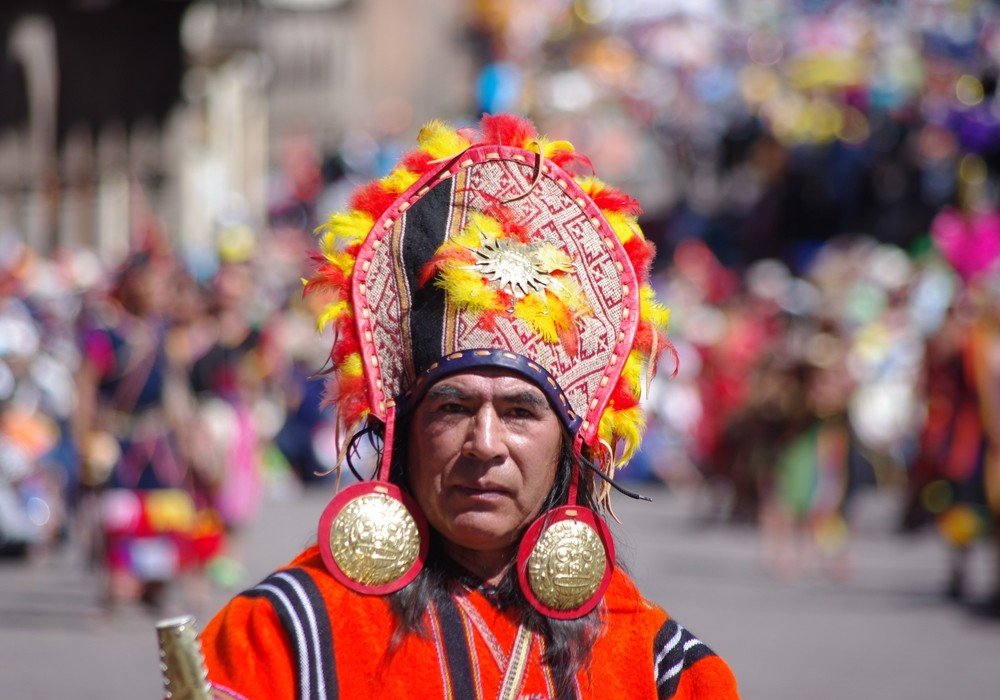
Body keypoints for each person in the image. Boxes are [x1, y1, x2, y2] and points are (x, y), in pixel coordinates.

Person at [199, 113, 740, 698]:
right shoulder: (282, 637)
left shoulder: (661, 669)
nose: (485, 445)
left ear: (571, 443)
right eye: (453, 409)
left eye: (520, 413)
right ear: (403, 430)